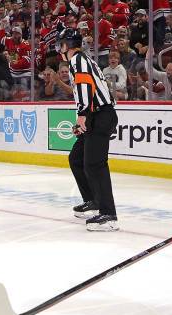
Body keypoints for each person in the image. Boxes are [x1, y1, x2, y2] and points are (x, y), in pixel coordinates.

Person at [57, 27, 119, 231]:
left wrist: (82, 113)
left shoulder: (77, 60)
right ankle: (93, 201)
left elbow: (85, 85)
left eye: (61, 44)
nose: (59, 48)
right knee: (76, 158)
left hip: (100, 115)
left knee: (95, 164)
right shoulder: (82, 59)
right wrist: (84, 116)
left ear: (67, 45)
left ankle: (108, 215)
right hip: (96, 115)